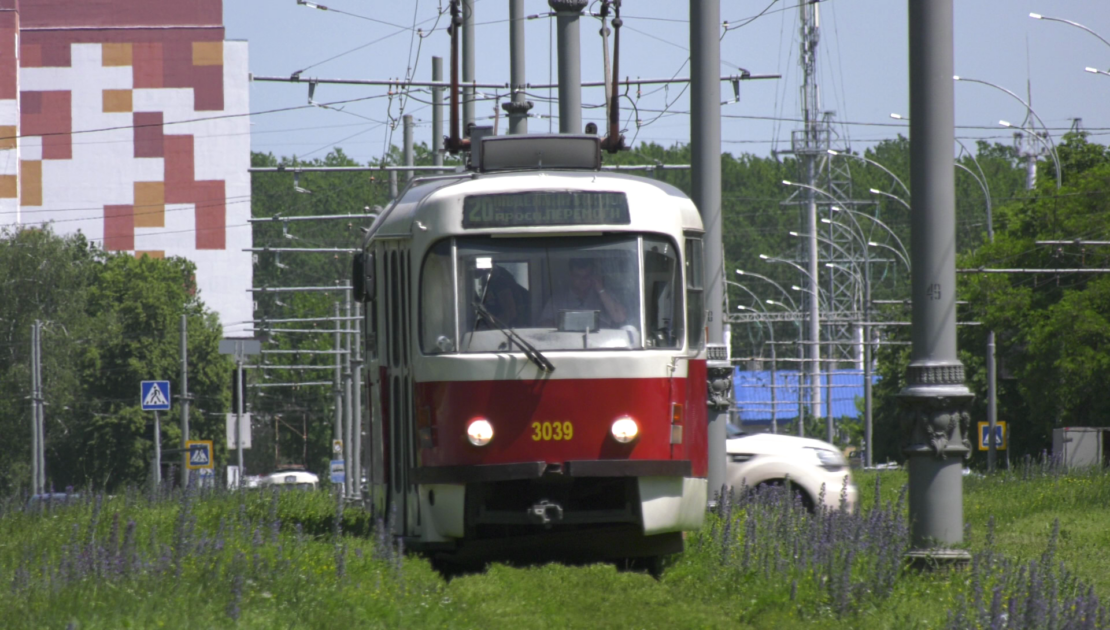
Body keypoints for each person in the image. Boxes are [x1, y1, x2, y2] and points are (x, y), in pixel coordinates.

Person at [539, 258, 627, 328]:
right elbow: (544, 325)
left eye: (586, 276)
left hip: (600, 347)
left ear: (592, 275)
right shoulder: (558, 300)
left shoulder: (604, 297)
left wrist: (600, 289)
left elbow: (620, 318)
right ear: (571, 276)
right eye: (578, 276)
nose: (582, 281)